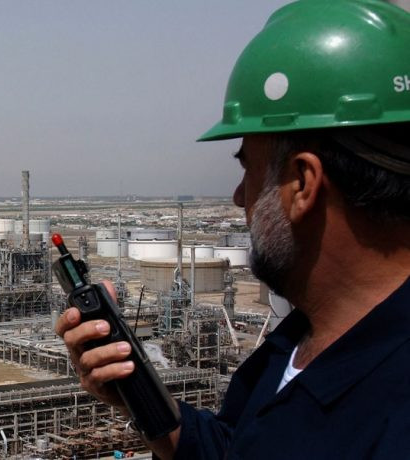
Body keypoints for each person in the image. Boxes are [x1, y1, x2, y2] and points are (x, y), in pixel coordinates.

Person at [56, 1, 410, 458]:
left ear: (302, 183)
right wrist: (139, 394)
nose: (239, 196)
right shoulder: (294, 345)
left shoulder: (392, 413)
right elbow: (240, 448)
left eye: (248, 170)